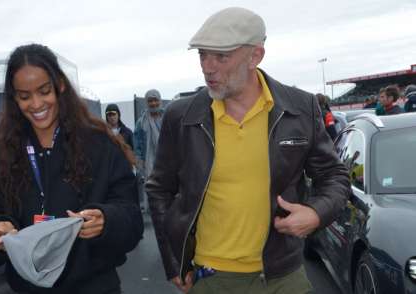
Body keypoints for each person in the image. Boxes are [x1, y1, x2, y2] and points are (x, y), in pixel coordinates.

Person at [146, 7, 350, 294]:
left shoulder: (300, 108)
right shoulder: (181, 116)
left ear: (256, 55)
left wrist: (316, 213)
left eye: (221, 56)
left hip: (284, 276)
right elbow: (159, 189)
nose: (207, 66)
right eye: (202, 54)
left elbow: (334, 176)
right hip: (211, 277)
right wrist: (174, 263)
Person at [0, 44, 143, 294]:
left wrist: (107, 220)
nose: (36, 104)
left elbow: (133, 219)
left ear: (60, 85)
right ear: (14, 98)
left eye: (44, 91)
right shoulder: (1, 155)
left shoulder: (99, 144)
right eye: (25, 96)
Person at [133, 89, 164, 211]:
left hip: (166, 159)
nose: (153, 103)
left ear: (159, 100)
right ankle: (156, 210)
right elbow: (137, 146)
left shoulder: (167, 117)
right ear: (146, 102)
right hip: (149, 162)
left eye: (155, 100)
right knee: (152, 187)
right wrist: (140, 163)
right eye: (150, 101)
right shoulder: (141, 122)